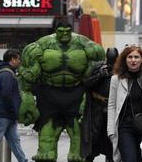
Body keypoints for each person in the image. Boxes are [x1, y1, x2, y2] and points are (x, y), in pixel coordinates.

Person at [17, 18, 105, 162]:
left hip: (77, 92)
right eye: (61, 31)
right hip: (49, 93)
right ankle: (46, 153)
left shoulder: (87, 45)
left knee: (78, 140)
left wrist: (93, 97)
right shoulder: (40, 46)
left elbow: (97, 72)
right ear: (55, 31)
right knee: (47, 140)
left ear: (72, 30)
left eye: (68, 31)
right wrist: (26, 98)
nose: (65, 34)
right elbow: (27, 74)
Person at [107, 45, 142, 162]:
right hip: (125, 126)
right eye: (130, 57)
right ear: (124, 59)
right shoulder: (116, 79)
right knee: (130, 158)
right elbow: (112, 105)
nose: (133, 60)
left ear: (141, 59)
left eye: (136, 57)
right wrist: (110, 130)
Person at [0, 49, 28, 162]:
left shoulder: (4, 71)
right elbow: (7, 95)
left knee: (14, 141)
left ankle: (23, 160)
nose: (19, 61)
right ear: (12, 59)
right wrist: (13, 110)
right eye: (18, 59)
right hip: (2, 115)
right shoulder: (7, 74)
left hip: (7, 115)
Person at [81, 47, 119, 162]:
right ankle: (89, 157)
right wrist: (99, 75)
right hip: (97, 107)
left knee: (111, 139)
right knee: (93, 138)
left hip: (113, 108)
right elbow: (87, 84)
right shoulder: (99, 67)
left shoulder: (121, 69)